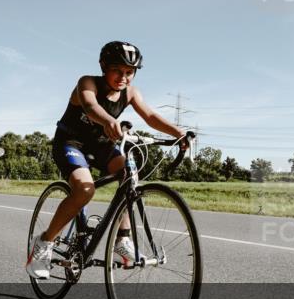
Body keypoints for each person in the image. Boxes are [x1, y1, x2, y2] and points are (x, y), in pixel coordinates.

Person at [26, 41, 190, 279]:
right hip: (70, 142)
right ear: (103, 66)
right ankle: (44, 243)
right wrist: (107, 121)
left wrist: (178, 133)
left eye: (129, 72)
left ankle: (122, 239)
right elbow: (90, 105)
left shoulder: (131, 92)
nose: (123, 77)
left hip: (101, 144)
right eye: (117, 70)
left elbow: (151, 115)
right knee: (85, 190)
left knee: (129, 174)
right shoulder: (88, 82)